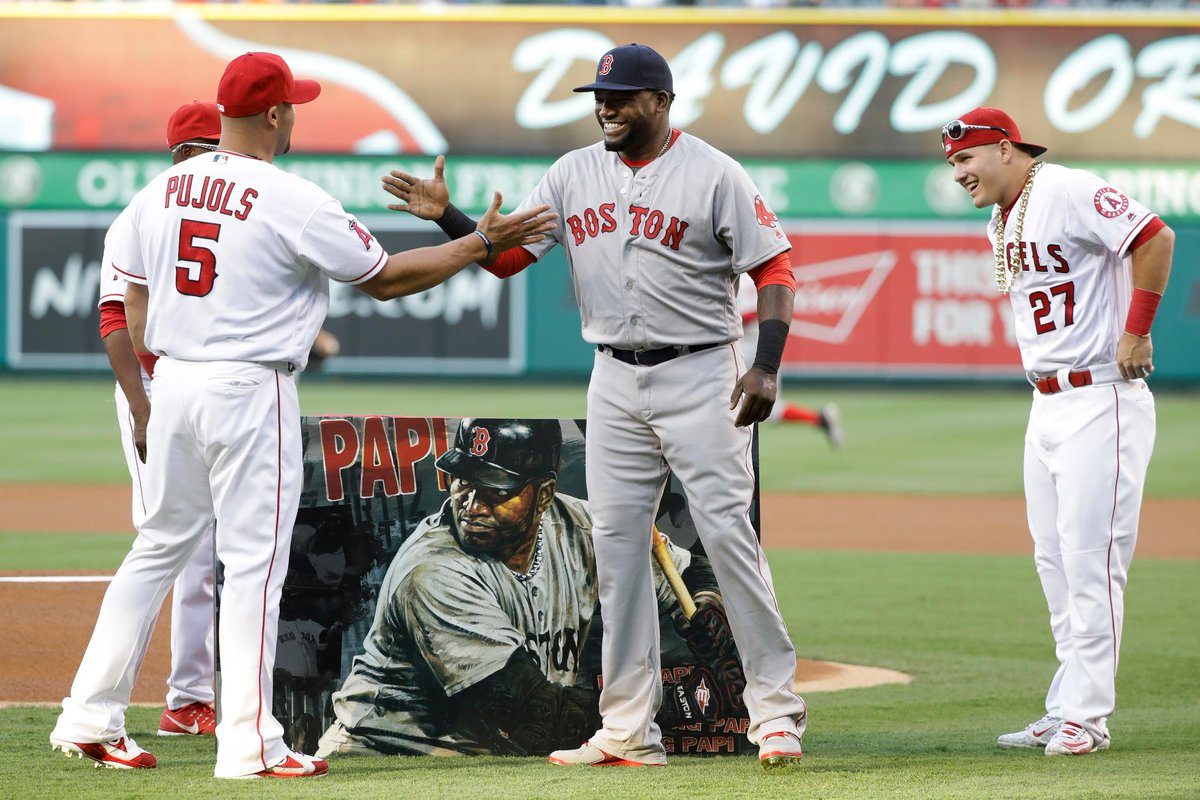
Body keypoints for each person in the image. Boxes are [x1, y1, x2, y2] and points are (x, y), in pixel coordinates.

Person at [49, 51, 555, 779]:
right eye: (295, 107)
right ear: (277, 114)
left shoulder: (154, 195)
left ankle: (89, 715)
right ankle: (249, 745)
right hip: (248, 389)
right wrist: (479, 242)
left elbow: (127, 303)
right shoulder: (290, 197)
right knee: (253, 567)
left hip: (174, 385)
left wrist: (144, 394)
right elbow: (384, 279)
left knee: (156, 548)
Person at [382, 43, 807, 770]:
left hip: (701, 370)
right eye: (599, 97)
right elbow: (510, 256)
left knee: (728, 539)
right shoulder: (570, 173)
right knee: (614, 553)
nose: (605, 107)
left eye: (622, 96)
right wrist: (449, 216)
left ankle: (775, 714)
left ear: (662, 102)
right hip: (612, 375)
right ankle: (628, 730)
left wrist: (766, 364)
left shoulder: (712, 172)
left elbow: (774, 266)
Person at [940, 107, 1171, 756]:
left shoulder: (1066, 188)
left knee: (1090, 563)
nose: (958, 171)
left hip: (1101, 396)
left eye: (966, 158)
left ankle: (1088, 718)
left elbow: (1156, 237)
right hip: (1046, 405)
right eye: (953, 161)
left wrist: (1137, 329)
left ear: (1007, 150)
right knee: (1054, 566)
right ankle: (1065, 704)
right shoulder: (1002, 216)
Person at [316, 417, 735, 758]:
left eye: (496, 490)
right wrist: (675, 704)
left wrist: (706, 603)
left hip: (488, 757)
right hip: (389, 755)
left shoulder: (584, 527)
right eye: (463, 481)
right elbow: (530, 716)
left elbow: (694, 570)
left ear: (545, 493)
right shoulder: (433, 572)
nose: (472, 504)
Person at [95, 101, 223, 741]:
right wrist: (143, 410)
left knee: (206, 548)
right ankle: (120, 705)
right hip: (152, 387)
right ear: (180, 153)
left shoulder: (228, 206)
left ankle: (190, 698)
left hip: (200, 386)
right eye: (206, 147)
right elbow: (114, 320)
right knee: (170, 545)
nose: (217, 156)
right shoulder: (141, 213)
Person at [736, 277, 844, 446]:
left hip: (753, 344)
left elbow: (753, 312)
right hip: (751, 343)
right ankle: (820, 418)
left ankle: (820, 418)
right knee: (760, 407)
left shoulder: (743, 278)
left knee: (767, 408)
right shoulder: (738, 274)